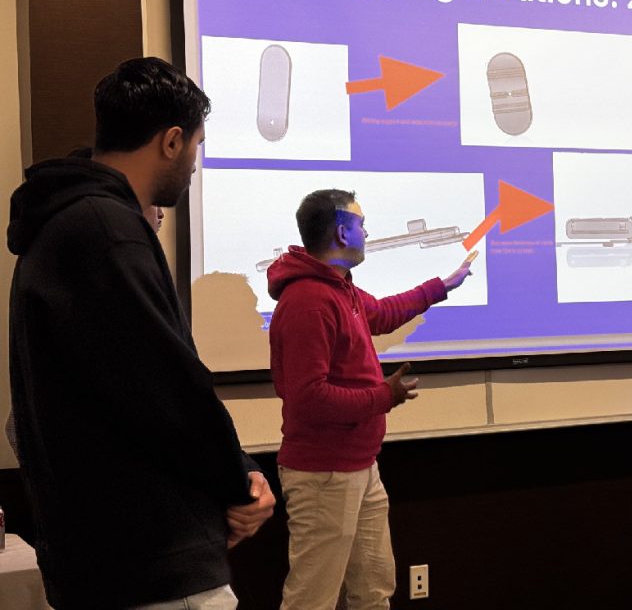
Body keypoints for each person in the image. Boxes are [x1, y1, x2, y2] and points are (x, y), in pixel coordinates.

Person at [7, 57, 275, 609]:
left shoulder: (63, 224)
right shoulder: (107, 231)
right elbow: (167, 391)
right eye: (196, 146)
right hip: (152, 565)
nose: (194, 165)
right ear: (172, 141)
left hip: (109, 562)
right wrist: (239, 483)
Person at [268, 189, 477, 610]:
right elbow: (309, 399)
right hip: (325, 473)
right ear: (342, 233)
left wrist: (441, 286)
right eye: (361, 224)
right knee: (312, 599)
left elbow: (381, 313)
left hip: (360, 465)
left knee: (374, 590)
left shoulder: (339, 289)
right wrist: (384, 395)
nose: (367, 232)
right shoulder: (310, 301)